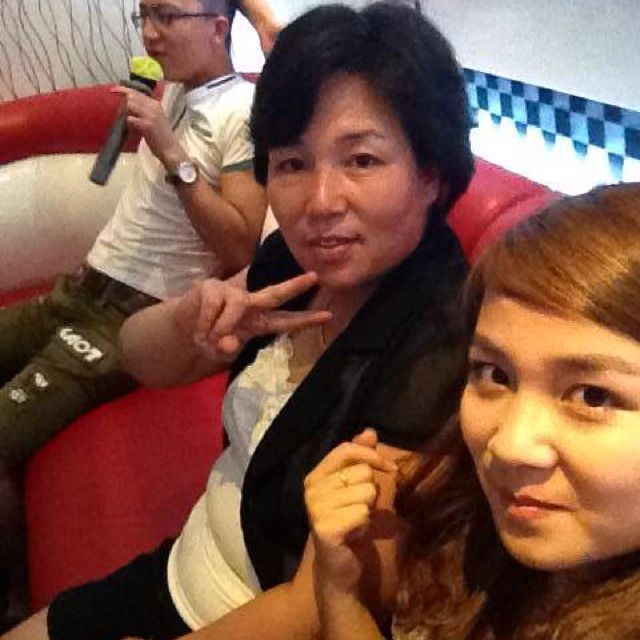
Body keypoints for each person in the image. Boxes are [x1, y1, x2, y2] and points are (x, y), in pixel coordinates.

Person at [2, 2, 473, 639]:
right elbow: (140, 357)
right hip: (183, 565)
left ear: (432, 174)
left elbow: (318, 604)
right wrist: (190, 320)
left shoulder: (440, 350)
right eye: (293, 163)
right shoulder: (292, 265)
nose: (320, 202)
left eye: (361, 160)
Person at [0, 0, 271, 630]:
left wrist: (173, 152)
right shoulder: (170, 89)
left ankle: (9, 601)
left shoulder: (244, 112)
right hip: (78, 292)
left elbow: (240, 246)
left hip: (129, 318)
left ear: (217, 29)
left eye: (166, 17)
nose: (150, 32)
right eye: (143, 16)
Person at [307, 182, 640, 639]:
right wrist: (340, 591)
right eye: (496, 374)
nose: (509, 445)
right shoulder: (465, 522)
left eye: (593, 397)